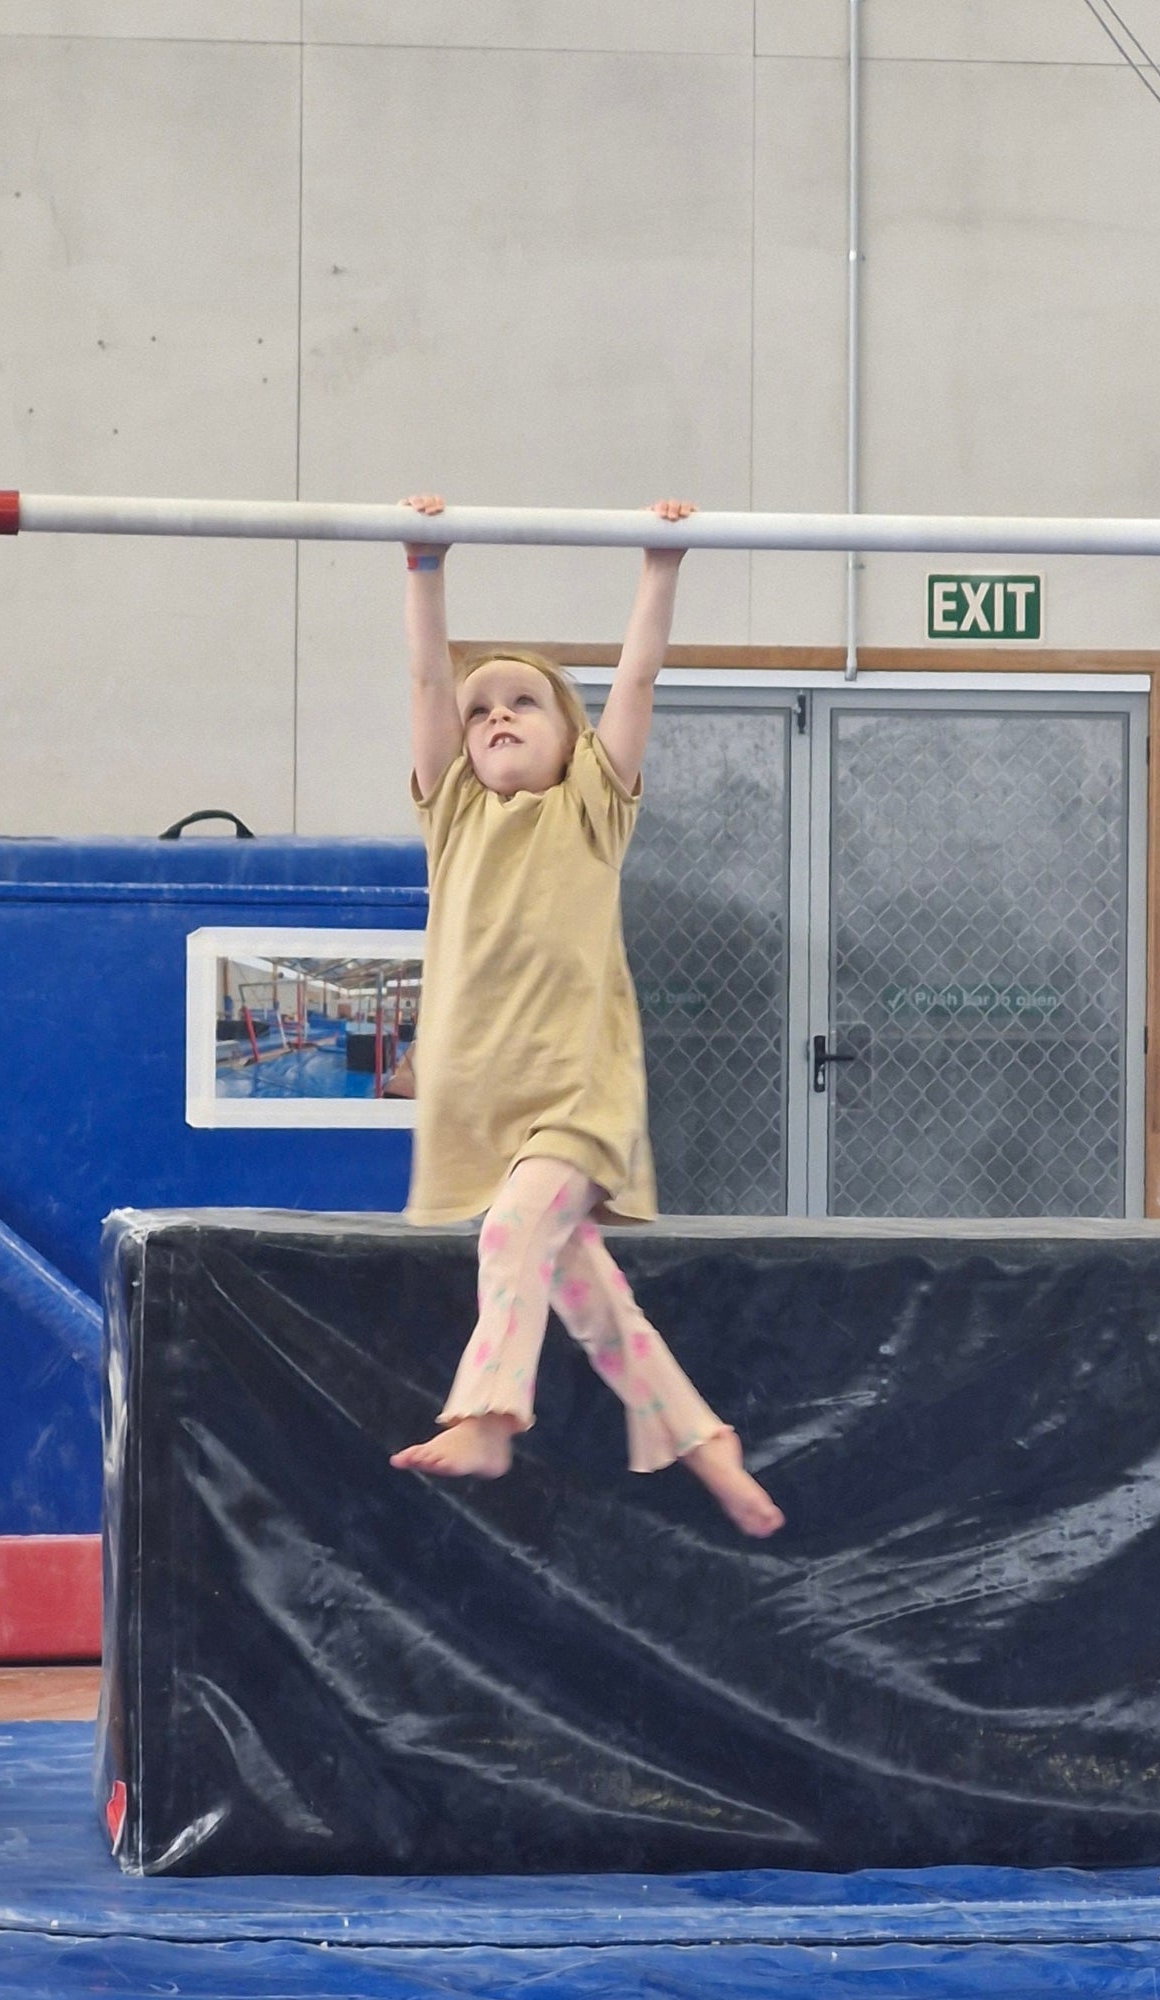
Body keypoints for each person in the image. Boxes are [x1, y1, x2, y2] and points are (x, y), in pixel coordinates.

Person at [386, 494, 783, 1537]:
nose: (497, 716)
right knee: (588, 1298)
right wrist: (424, 567)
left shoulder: (590, 809)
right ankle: (702, 1439)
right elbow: (430, 677)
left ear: (573, 739)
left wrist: (662, 564)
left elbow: (639, 675)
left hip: (575, 1096)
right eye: (483, 711)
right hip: (488, 1108)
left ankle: (487, 1413)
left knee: (514, 1232)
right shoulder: (454, 816)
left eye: (525, 702)